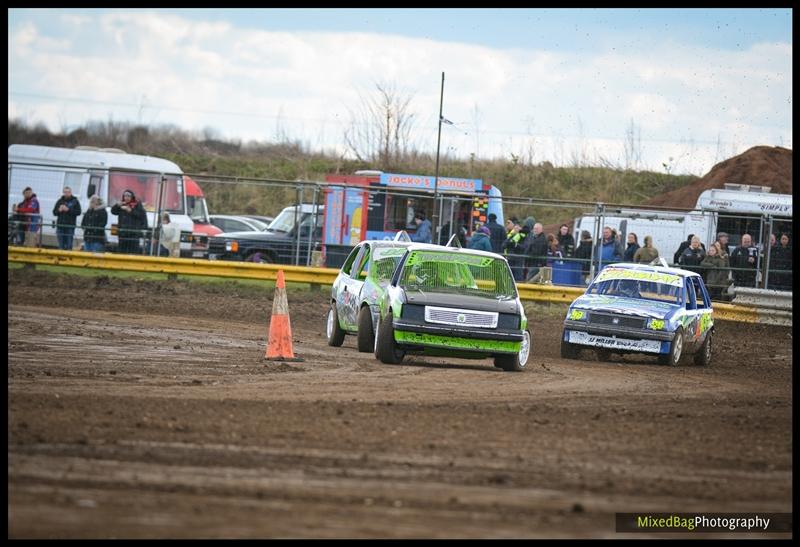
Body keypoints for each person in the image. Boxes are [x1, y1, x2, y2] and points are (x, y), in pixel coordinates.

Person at [111, 189, 148, 255]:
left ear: (132, 197)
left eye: (128, 196)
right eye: (125, 196)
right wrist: (117, 205)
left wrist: (130, 211)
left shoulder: (137, 205)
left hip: (133, 234)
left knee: (133, 253)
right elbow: (113, 212)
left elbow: (141, 216)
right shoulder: (122, 204)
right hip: (123, 234)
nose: (126, 197)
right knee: (121, 253)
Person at [52, 186, 82, 251]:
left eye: (68, 192)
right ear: (63, 193)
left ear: (71, 192)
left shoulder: (75, 201)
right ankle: (60, 258)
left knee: (69, 244)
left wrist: (68, 210)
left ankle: (68, 258)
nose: (67, 193)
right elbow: (54, 212)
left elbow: (79, 212)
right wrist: (59, 210)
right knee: (61, 244)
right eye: (65, 192)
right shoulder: (59, 201)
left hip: (70, 226)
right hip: (60, 225)